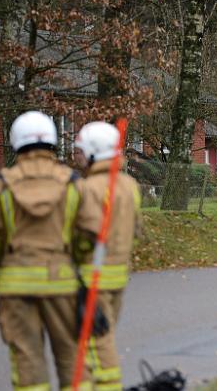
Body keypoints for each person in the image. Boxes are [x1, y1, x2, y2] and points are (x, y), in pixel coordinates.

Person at [0, 111, 98, 390]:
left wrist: (6, 259)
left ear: (16, 141)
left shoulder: (0, 185)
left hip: (17, 286)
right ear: (53, 142)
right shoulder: (72, 182)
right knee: (71, 358)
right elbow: (91, 231)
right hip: (62, 282)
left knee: (27, 361)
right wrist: (72, 257)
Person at [74, 121, 142, 391]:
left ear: (93, 152)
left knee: (96, 343)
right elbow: (136, 229)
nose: (76, 155)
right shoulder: (129, 185)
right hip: (117, 277)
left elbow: (81, 237)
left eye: (79, 150)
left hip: (92, 280)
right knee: (100, 340)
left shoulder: (88, 189)